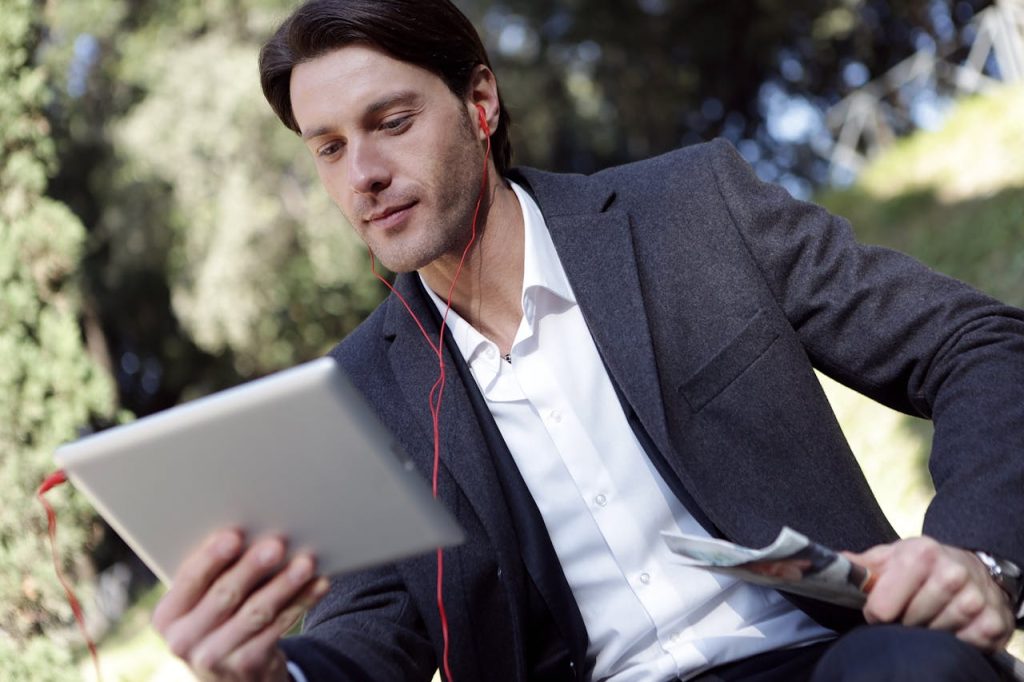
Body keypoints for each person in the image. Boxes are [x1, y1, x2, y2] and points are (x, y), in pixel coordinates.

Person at [150, 1, 1024, 680]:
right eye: (328, 148)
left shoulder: (692, 211)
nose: (363, 176)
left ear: (480, 103)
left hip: (839, 661)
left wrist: (977, 555)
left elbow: (977, 345)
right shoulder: (358, 392)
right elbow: (371, 626)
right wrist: (273, 670)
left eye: (391, 122)